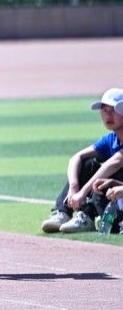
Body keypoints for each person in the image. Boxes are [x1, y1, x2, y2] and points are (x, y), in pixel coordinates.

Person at [40, 88, 123, 234]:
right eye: (104, 111)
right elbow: (76, 158)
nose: (108, 115)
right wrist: (74, 187)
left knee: (104, 180)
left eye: (113, 110)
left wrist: (83, 193)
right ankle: (63, 212)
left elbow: (115, 163)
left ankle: (90, 216)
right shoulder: (111, 139)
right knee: (87, 164)